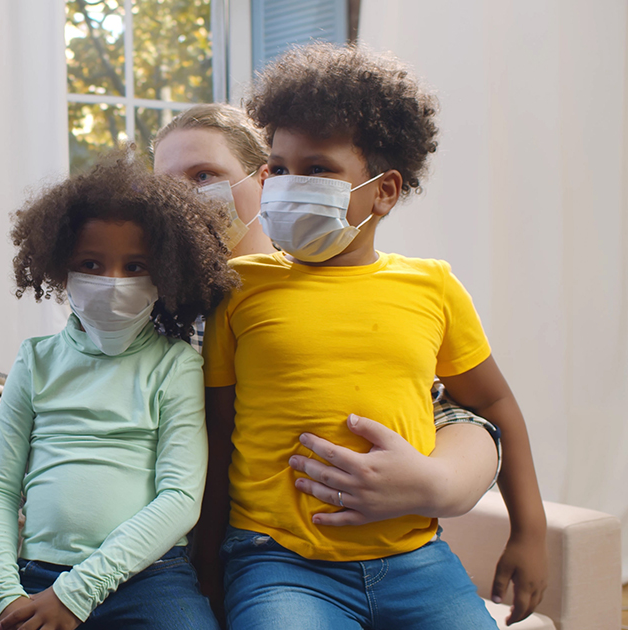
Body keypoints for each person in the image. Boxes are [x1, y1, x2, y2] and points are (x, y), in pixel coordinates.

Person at [198, 43, 547, 628]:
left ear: (384, 190)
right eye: (278, 169)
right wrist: (206, 563)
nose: (288, 184)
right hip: (280, 564)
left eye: (317, 169)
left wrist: (529, 531)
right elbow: (217, 427)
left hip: (417, 560)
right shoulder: (239, 287)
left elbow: (492, 403)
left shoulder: (432, 286)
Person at [152, 102, 509, 610]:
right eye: (166, 185)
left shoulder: (392, 290)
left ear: (260, 182)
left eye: (204, 175)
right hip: (249, 564)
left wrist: (444, 482)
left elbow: (456, 413)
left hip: (396, 557)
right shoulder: (143, 320)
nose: (184, 199)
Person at [0, 154, 236, 630]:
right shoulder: (34, 361)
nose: (113, 284)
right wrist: (2, 592)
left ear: (166, 273)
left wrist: (80, 591)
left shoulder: (176, 365)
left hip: (151, 579)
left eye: (135, 266)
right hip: (38, 577)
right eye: (90, 264)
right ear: (60, 269)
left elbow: (180, 497)